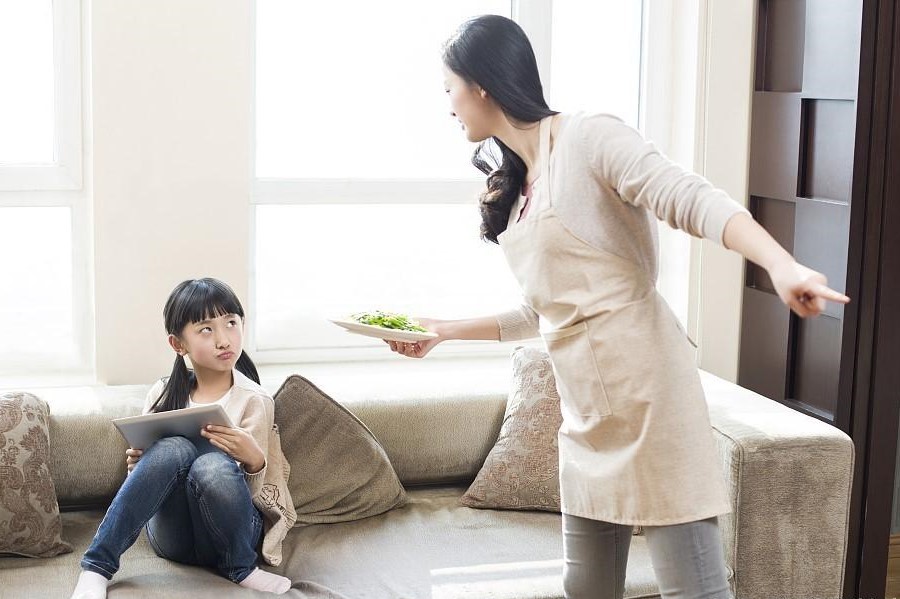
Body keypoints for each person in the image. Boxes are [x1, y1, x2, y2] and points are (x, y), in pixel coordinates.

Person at [385, 14, 850, 599]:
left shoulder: (587, 138)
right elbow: (543, 311)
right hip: (585, 417)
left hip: (650, 400)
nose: (448, 105)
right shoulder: (522, 184)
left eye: (449, 87)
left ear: (480, 85)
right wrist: (443, 330)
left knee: (695, 591)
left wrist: (780, 264)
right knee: (586, 589)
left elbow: (688, 196)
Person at [71, 278, 296, 598]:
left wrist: (254, 461)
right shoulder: (162, 393)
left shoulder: (254, 400)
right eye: (206, 329)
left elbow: (253, 496)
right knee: (173, 448)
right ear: (178, 344)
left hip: (230, 537)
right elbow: (143, 487)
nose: (223, 339)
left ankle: (242, 569)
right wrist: (140, 464)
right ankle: (96, 567)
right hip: (173, 537)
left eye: (231, 323)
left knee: (211, 465)